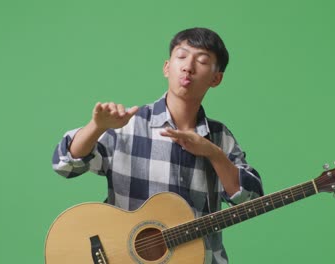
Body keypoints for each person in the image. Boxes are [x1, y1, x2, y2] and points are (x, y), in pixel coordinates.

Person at [52, 27, 264, 264]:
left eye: (202, 61)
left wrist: (212, 152)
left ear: (216, 78)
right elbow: (65, 164)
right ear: (167, 67)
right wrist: (96, 126)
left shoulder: (220, 136)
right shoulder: (128, 124)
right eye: (181, 57)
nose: (188, 67)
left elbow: (250, 200)